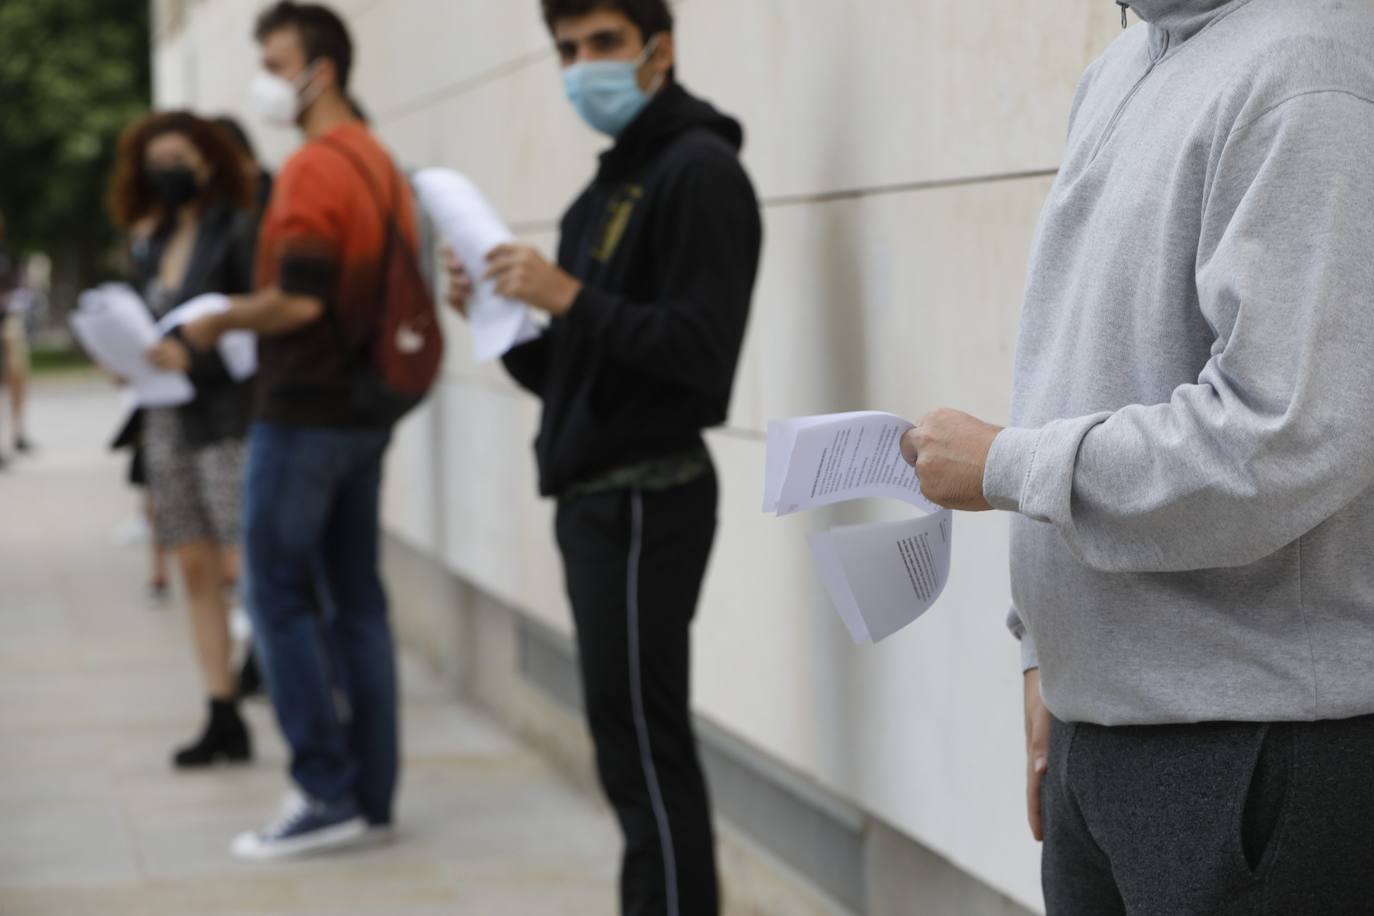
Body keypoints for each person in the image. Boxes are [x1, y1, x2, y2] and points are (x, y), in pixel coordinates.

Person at [900, 1, 1374, 912]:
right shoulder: (1121, 68)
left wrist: (1008, 466)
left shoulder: (1311, 69)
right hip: (1105, 735)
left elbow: (1288, 436)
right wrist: (1046, 653)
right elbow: (1081, 375)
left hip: (1255, 747)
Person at [444, 1, 761, 911]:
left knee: (645, 751)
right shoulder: (608, 188)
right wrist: (502, 322)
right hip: (600, 499)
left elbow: (701, 358)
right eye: (567, 49)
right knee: (626, 748)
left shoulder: (700, 174)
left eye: (604, 44)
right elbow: (577, 373)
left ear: (658, 50)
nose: (584, 66)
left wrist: (570, 296)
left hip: (646, 500)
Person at [181, 1, 418, 860]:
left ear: (321, 70)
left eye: (277, 63)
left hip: (308, 409)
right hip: (362, 411)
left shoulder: (319, 168)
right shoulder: (377, 159)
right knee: (356, 599)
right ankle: (371, 795)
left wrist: (220, 319)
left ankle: (323, 790)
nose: (267, 81)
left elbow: (302, 300)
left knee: (276, 596)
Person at [109, 111, 259, 768]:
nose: (166, 171)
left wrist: (192, 357)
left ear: (208, 160)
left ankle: (287, 681)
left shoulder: (237, 229)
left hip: (228, 417)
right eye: (155, 160)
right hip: (165, 418)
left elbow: (255, 327)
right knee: (193, 565)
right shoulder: (157, 237)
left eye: (179, 157)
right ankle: (220, 709)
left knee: (249, 564)